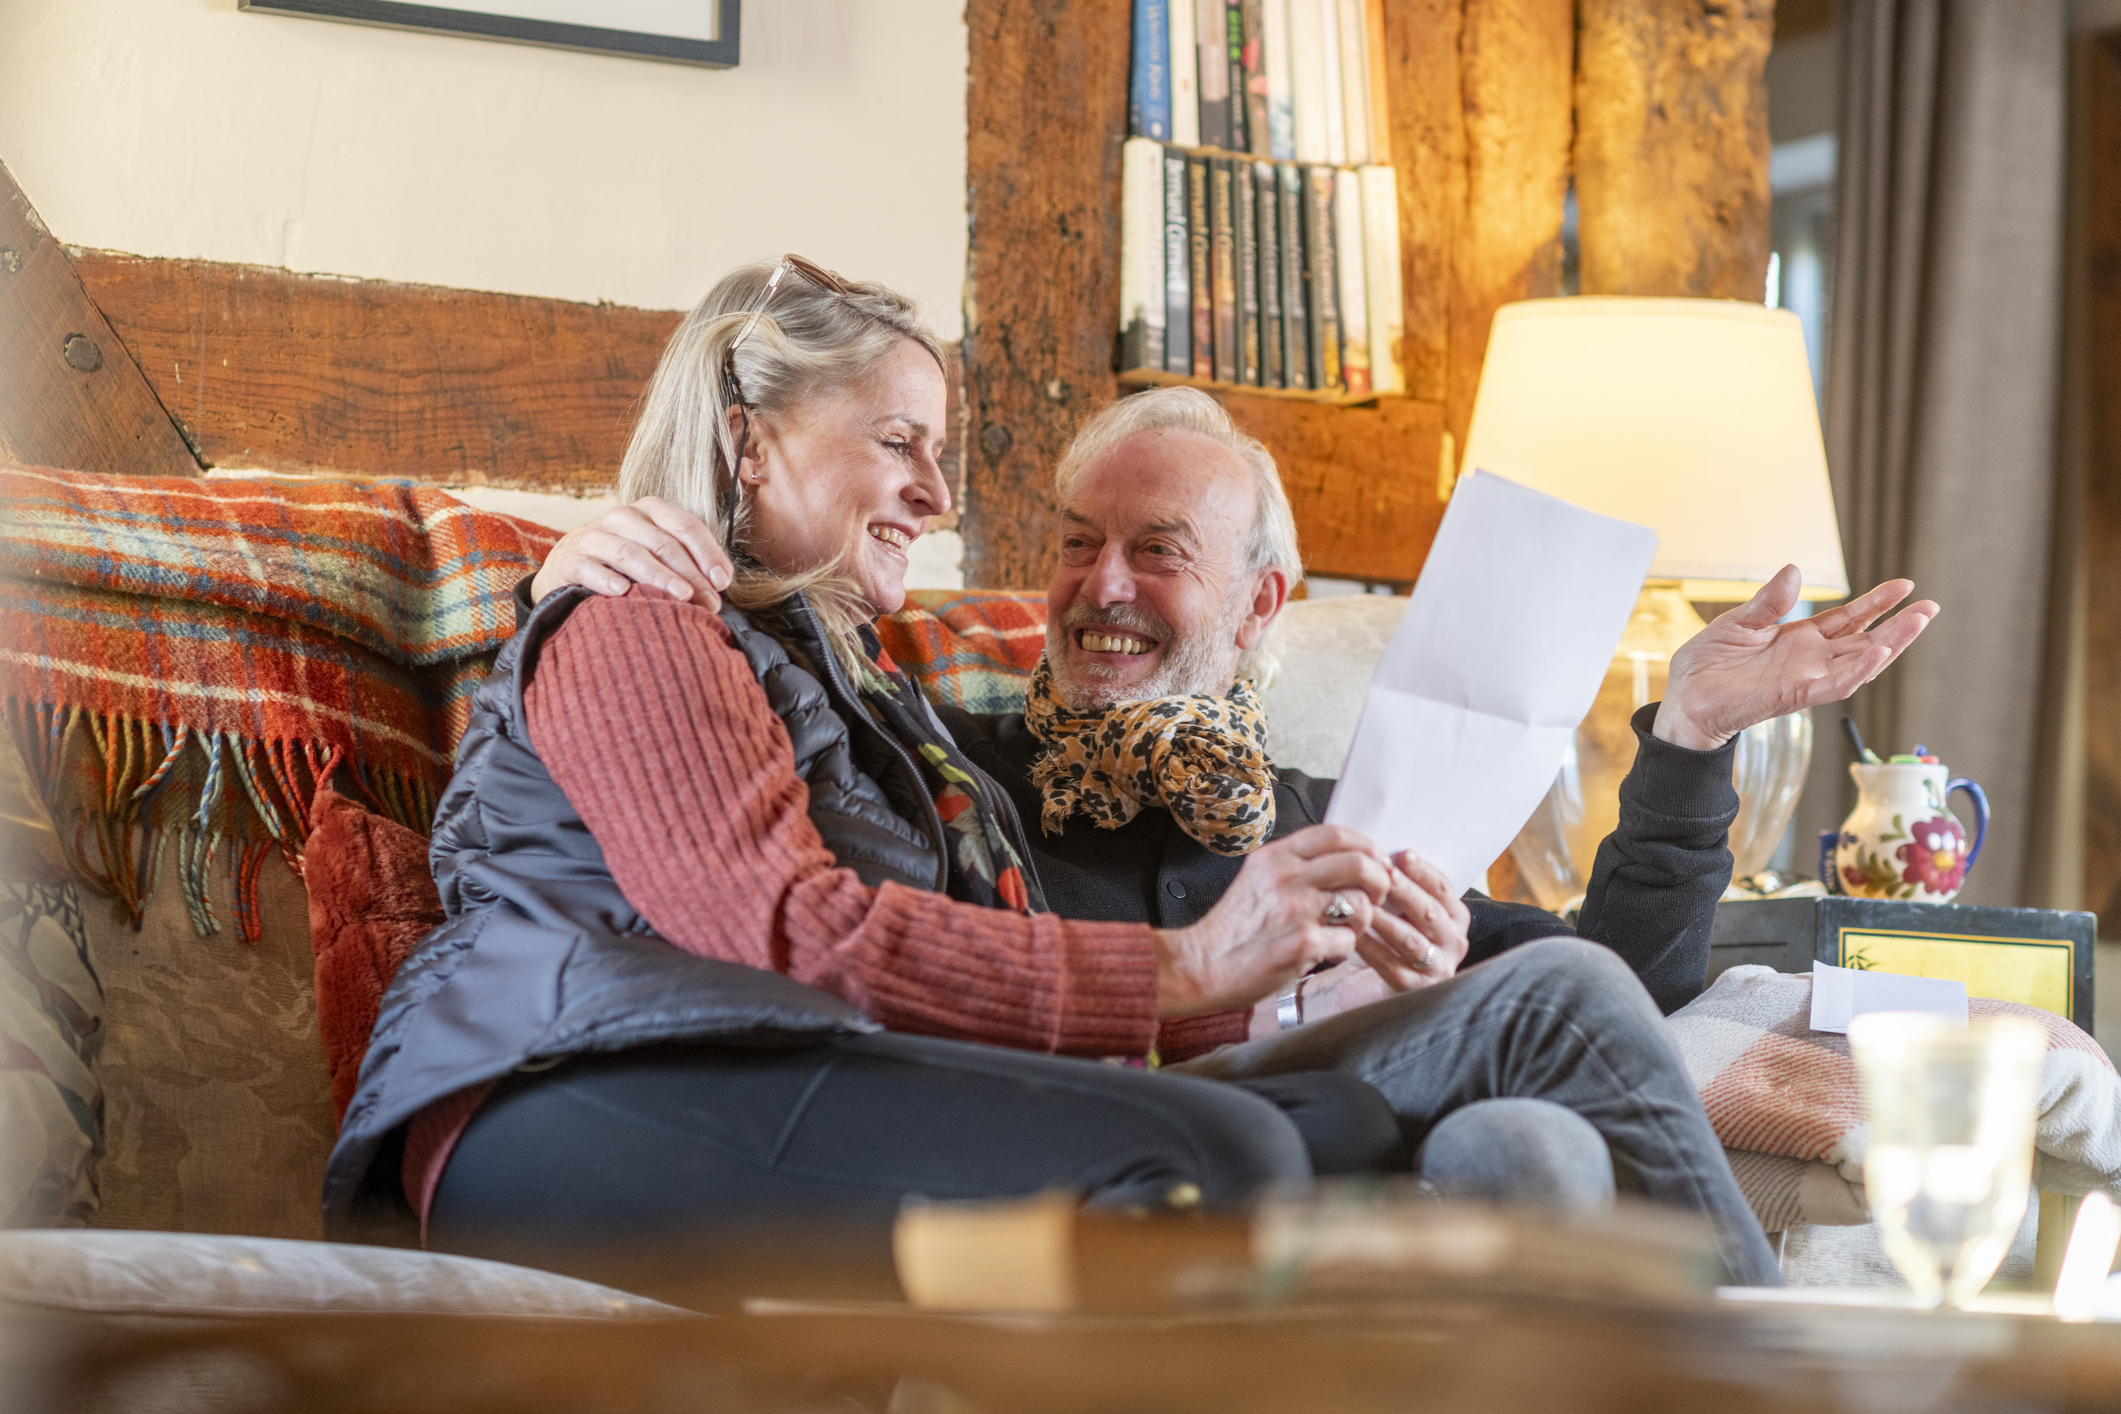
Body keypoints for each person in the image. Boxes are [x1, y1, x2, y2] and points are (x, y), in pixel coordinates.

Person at [326, 256, 1932, 1292]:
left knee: (1532, 1079)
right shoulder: (932, 748)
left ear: (1259, 604)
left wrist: (1685, 739)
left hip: (834, 1062)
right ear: (748, 441)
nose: (939, 493)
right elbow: (789, 926)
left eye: (1157, 551)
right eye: (901, 443)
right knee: (1285, 1142)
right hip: (624, 1075)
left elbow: (1614, 987)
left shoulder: (1262, 806)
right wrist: (1199, 970)